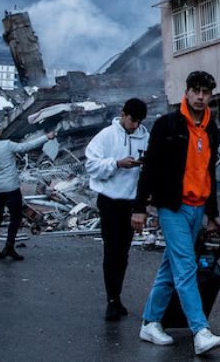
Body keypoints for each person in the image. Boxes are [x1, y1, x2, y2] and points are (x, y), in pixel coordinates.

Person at [133, 70, 220, 355]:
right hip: (173, 207)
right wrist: (139, 209)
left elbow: (210, 172)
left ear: (211, 95)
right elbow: (150, 169)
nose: (200, 97)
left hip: (198, 209)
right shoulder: (167, 125)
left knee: (170, 269)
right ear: (186, 92)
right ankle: (200, 331)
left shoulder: (212, 129)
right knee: (186, 267)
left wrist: (212, 213)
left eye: (205, 92)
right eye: (195, 90)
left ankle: (150, 322)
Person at [85, 98, 150, 321]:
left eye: (139, 121)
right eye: (132, 120)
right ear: (123, 114)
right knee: (111, 250)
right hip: (110, 201)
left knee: (123, 252)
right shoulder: (106, 136)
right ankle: (111, 300)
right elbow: (91, 165)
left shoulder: (145, 137)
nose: (135, 125)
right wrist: (116, 164)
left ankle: (117, 296)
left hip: (131, 204)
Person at [0, 125, 55, 261]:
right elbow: (27, 146)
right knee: (16, 217)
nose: (1, 131)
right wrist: (46, 137)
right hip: (11, 188)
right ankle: (9, 247)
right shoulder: (7, 145)